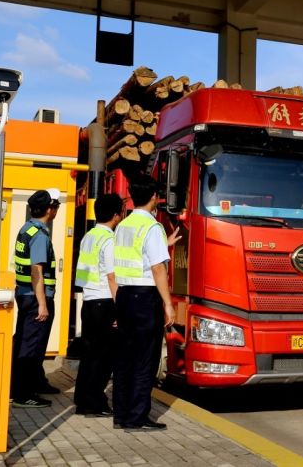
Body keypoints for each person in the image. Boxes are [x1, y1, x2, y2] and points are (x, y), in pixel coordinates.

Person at [112, 174, 180, 430]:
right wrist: (168, 304)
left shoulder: (124, 226)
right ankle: (137, 417)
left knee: (124, 359)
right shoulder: (152, 227)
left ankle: (121, 415)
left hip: (125, 296)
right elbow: (157, 269)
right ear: (154, 197)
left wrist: (164, 245)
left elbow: (134, 257)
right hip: (144, 297)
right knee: (145, 360)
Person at [73, 194, 124, 416]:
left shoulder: (89, 237)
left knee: (90, 353)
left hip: (89, 301)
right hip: (105, 301)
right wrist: (120, 308)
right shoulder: (110, 240)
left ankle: (83, 399)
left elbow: (83, 273)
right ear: (116, 215)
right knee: (104, 357)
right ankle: (95, 401)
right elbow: (112, 277)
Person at [11, 188, 61, 408]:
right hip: (35, 297)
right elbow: (36, 271)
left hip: (25, 294)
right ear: (50, 209)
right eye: (56, 206)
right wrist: (42, 304)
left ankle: (35, 383)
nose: (57, 210)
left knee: (27, 341)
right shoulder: (40, 235)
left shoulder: (26, 229)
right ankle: (23, 394)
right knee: (31, 346)